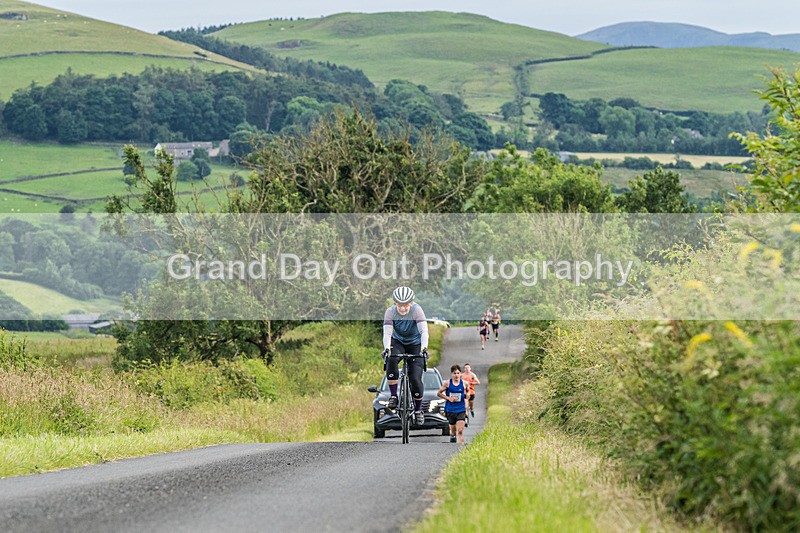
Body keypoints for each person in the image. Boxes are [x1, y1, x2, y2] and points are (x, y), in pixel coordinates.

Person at [382, 286, 429, 427]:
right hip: (398, 341)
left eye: (405, 305)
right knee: (391, 358)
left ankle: (418, 409)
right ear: (395, 303)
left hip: (415, 343)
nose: (402, 308)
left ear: (411, 302)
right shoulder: (390, 312)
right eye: (399, 305)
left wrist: (424, 348)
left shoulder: (417, 311)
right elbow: (387, 333)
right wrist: (386, 349)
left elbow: (424, 331)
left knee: (415, 377)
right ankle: (394, 396)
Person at [437, 364, 468, 443]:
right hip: (451, 409)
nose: (456, 375)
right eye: (454, 373)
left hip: (461, 409)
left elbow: (468, 392)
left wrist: (467, 395)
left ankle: (461, 448)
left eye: (458, 373)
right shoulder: (447, 383)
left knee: (460, 430)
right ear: (452, 374)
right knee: (453, 431)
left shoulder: (464, 383)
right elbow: (439, 393)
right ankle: (452, 438)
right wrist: (449, 398)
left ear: (461, 373)